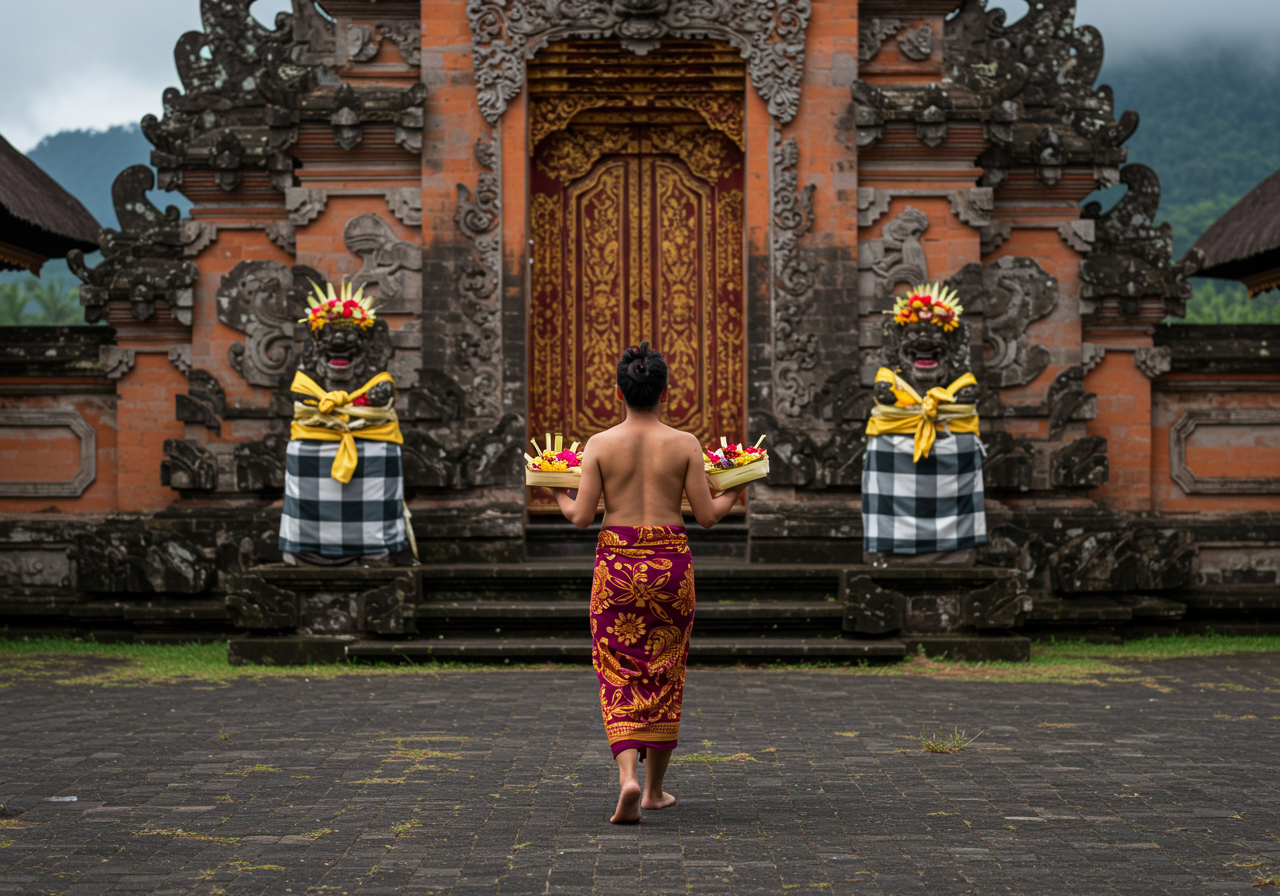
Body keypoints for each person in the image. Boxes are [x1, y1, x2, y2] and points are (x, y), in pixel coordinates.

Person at [552, 342, 745, 824]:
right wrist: (739, 487)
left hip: (616, 567)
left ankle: (628, 780)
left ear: (619, 391)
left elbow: (580, 517)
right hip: (669, 568)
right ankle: (656, 790)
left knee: (617, 667)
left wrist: (553, 485)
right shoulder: (684, 444)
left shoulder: (599, 444)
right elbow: (706, 516)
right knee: (665, 667)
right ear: (665, 392)